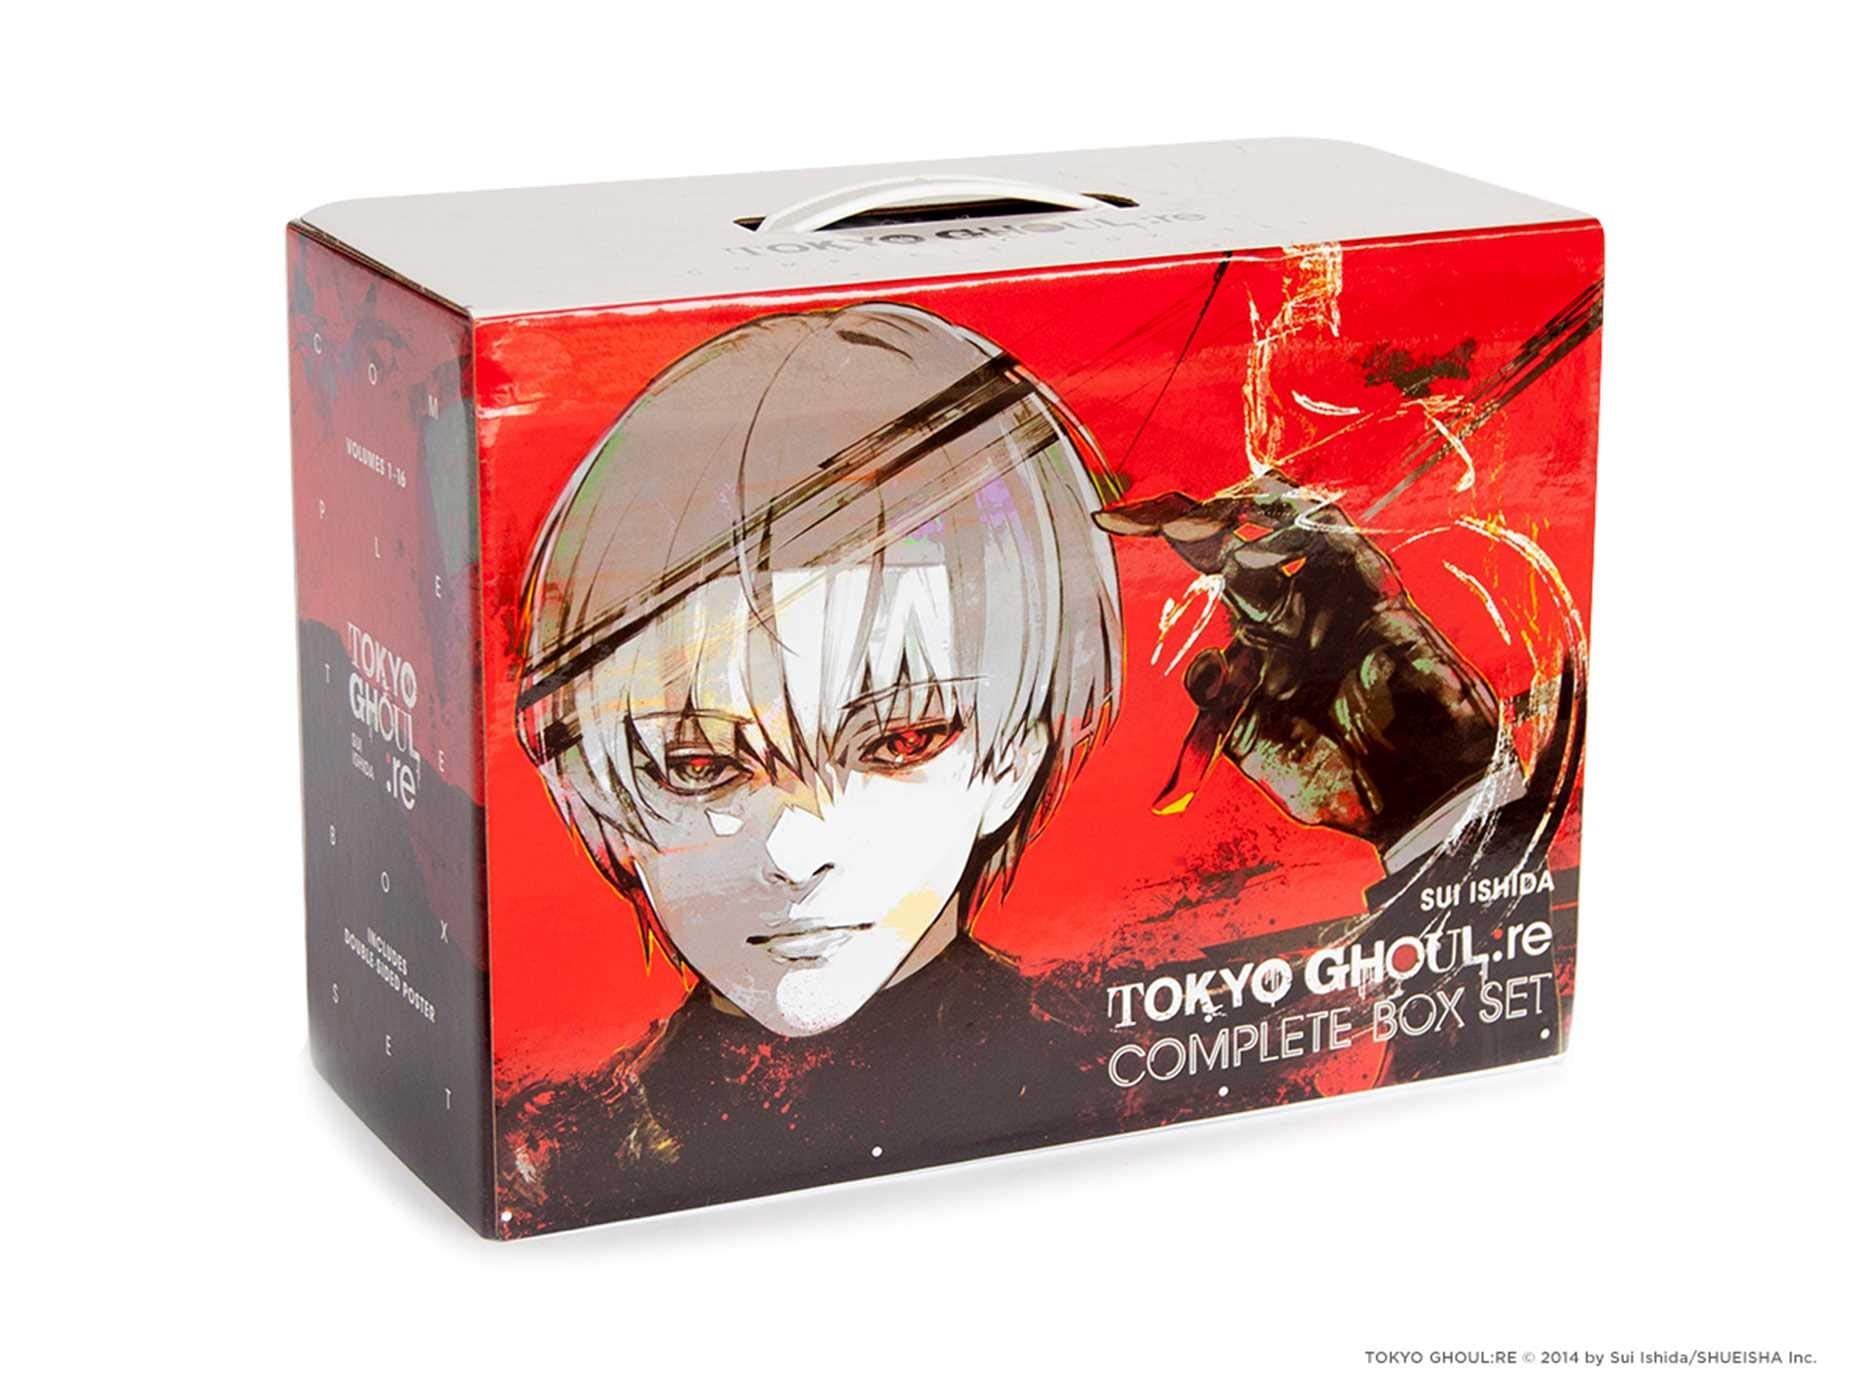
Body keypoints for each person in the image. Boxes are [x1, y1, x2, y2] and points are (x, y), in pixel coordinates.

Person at [498, 302, 1567, 1231]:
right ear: (591, 780)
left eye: (898, 741)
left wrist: (1447, 811)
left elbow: (1477, 1133)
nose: (797, 847)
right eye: (699, 763)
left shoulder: (1159, 1089)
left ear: (1013, 751)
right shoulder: (546, 1160)